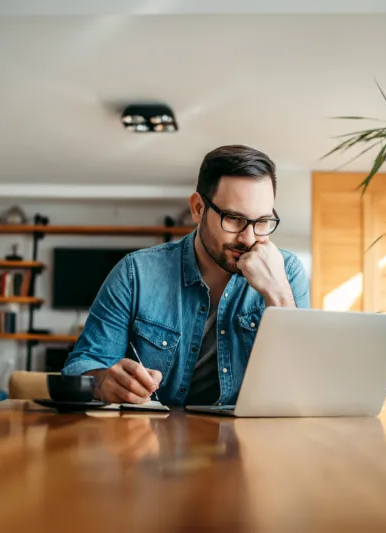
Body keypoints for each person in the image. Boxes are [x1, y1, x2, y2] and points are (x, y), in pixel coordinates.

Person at [61, 145, 310, 405]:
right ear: (198, 209)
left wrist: (279, 296)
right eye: (234, 219)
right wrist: (102, 382)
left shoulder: (287, 271)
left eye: (262, 222)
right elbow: (79, 368)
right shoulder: (135, 273)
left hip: (249, 440)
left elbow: (302, 385)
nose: (248, 238)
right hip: (152, 437)